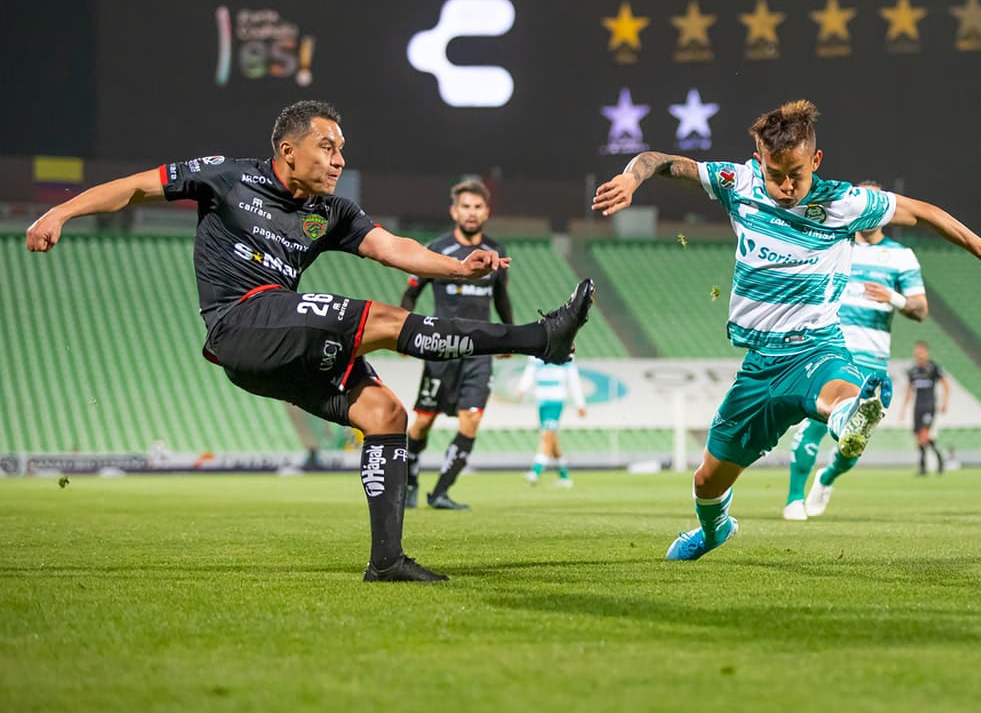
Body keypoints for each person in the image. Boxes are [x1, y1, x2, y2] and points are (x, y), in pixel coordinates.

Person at [25, 100, 595, 583]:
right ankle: (540, 338)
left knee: (384, 411)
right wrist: (61, 211)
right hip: (240, 323)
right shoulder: (226, 176)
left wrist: (459, 270)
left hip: (276, 348)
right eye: (327, 146)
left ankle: (387, 560)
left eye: (342, 149)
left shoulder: (332, 212)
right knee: (384, 320)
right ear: (289, 149)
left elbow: (395, 247)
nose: (339, 160)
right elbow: (133, 188)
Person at [591, 99, 981, 560]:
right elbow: (665, 162)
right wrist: (630, 177)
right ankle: (715, 529)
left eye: (795, 175)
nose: (784, 187)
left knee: (841, 395)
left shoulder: (843, 202)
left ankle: (854, 417)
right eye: (774, 174)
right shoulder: (738, 182)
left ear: (815, 161)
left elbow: (920, 211)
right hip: (760, 365)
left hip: (815, 347)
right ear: (759, 160)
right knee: (706, 480)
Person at [787, 182, 928, 520]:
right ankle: (793, 498)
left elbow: (921, 309)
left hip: (873, 357)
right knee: (813, 426)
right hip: (831, 350)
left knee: (856, 437)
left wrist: (892, 298)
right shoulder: (835, 244)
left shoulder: (900, 256)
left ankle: (828, 477)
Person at [400, 178, 511, 512]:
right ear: (454, 211)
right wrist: (404, 331)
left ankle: (441, 492)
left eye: (478, 207)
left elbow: (501, 297)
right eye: (465, 206)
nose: (471, 213)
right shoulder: (435, 249)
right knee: (422, 422)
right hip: (442, 349)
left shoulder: (497, 252)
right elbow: (410, 293)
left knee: (471, 421)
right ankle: (410, 484)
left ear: (487, 211)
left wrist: (507, 334)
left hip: (480, 350)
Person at [516, 355, 587, 487]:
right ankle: (564, 476)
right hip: (541, 399)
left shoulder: (566, 352)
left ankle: (535, 471)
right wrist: (522, 389)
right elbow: (530, 371)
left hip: (556, 398)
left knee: (547, 435)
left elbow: (573, 379)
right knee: (551, 438)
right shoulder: (536, 352)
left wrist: (580, 403)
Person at [901, 341, 950, 475]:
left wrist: (945, 402)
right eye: (917, 351)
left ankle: (923, 467)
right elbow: (909, 390)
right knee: (919, 437)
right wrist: (903, 409)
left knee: (924, 435)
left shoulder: (933, 367)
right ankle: (939, 460)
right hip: (917, 406)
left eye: (921, 351)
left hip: (929, 406)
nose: (919, 354)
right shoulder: (913, 370)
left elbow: (945, 384)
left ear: (926, 352)